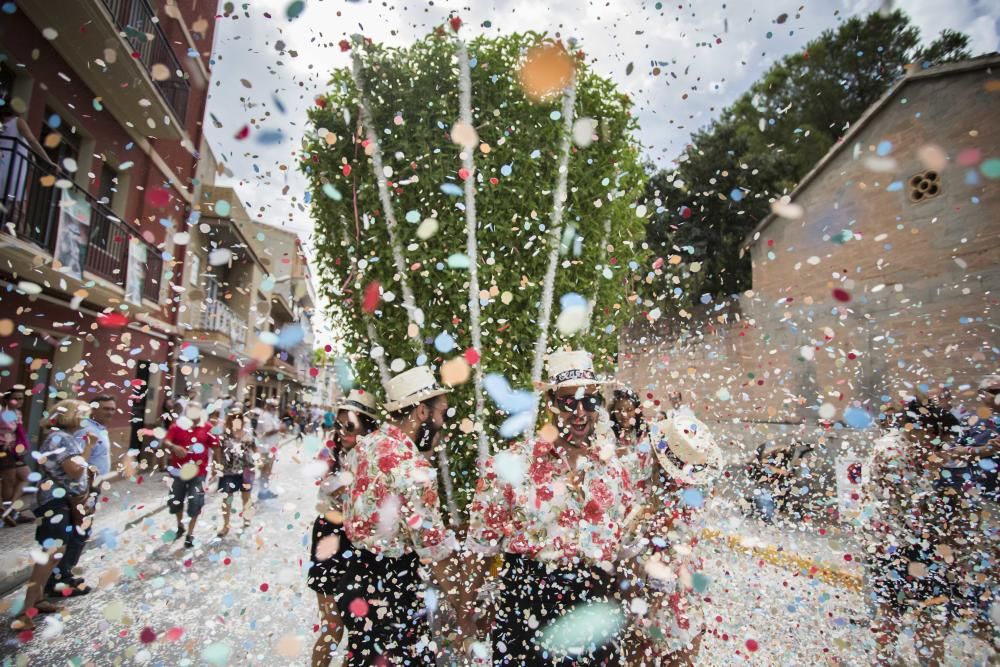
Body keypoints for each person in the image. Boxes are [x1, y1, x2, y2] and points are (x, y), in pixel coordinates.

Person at [466, 349, 635, 665]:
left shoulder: (615, 469)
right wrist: (470, 612)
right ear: (550, 404)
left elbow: (622, 546)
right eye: (569, 402)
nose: (580, 412)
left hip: (593, 603)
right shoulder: (511, 465)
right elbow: (481, 546)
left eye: (589, 401)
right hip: (528, 600)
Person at [337, 365, 465, 665]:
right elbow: (432, 548)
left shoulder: (364, 447)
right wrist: (463, 603)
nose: (444, 423)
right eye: (442, 413)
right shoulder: (412, 469)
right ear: (422, 412)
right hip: (392, 589)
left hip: (355, 577)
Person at [862, 399, 961, 666]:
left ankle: (885, 661)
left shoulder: (893, 445)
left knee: (891, 609)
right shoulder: (896, 453)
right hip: (905, 544)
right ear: (925, 429)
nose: (939, 446)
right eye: (939, 438)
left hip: (888, 542)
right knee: (925, 610)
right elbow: (914, 505)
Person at [621, 414, 722, 666]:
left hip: (670, 598)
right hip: (647, 594)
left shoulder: (694, 497)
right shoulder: (639, 477)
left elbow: (676, 550)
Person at [11, 400, 98, 630]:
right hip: (55, 502)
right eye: (83, 415)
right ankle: (25, 611)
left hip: (62, 502)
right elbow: (75, 470)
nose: (86, 420)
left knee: (55, 554)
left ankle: (37, 600)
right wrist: (89, 448)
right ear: (71, 416)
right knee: (49, 554)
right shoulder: (60, 438)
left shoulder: (62, 438)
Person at [308, 389, 380, 667]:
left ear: (367, 428)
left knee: (361, 634)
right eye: (339, 425)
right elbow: (326, 500)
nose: (342, 432)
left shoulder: (374, 459)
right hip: (330, 537)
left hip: (361, 545)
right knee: (333, 626)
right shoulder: (330, 454)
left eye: (349, 426)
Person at [45, 394, 115, 595]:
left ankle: (64, 574)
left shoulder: (99, 429)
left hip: (91, 486)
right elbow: (75, 464)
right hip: (82, 488)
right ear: (94, 409)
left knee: (82, 531)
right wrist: (85, 489)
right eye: (105, 408)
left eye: (112, 409)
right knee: (77, 532)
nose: (110, 412)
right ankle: (59, 579)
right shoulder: (82, 431)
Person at [163, 404, 221, 549]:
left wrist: (216, 464)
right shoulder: (176, 427)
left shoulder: (207, 428)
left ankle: (190, 534)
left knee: (195, 501)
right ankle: (180, 525)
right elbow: (166, 441)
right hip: (178, 472)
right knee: (176, 501)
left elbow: (216, 446)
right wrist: (174, 447)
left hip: (199, 473)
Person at [213, 408, 256, 537]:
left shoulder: (248, 433)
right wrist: (218, 465)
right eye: (233, 417)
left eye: (239, 417)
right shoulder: (224, 434)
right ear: (229, 419)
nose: (236, 419)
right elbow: (218, 450)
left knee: (246, 496)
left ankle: (247, 518)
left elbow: (255, 448)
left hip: (246, 469)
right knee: (227, 498)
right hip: (228, 470)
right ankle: (226, 525)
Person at [1, 385, 34, 526]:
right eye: (15, 399)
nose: (19, 401)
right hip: (3, 450)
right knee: (9, 480)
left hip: (14, 450)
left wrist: (23, 447)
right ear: (7, 399)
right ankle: (9, 510)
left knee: (26, 476)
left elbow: (19, 432)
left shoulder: (18, 413)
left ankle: (8, 509)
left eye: (21, 399)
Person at [255, 398, 283, 500]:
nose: (274, 408)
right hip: (265, 448)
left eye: (275, 406)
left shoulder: (272, 416)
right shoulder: (265, 416)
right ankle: (263, 492)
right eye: (273, 406)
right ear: (267, 406)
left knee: (267, 471)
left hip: (271, 448)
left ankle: (264, 490)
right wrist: (279, 429)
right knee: (265, 471)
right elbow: (267, 432)